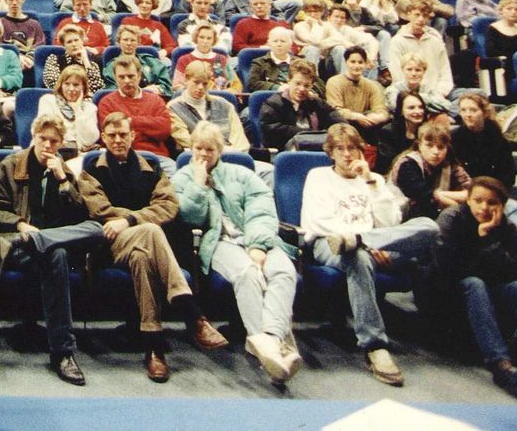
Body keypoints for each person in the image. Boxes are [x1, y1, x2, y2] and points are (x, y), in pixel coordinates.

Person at [77, 111, 228, 381]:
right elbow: (100, 210)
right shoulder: (91, 170)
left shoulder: (151, 167)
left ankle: (154, 348)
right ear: (103, 138)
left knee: (144, 257)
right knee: (151, 229)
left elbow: (168, 206)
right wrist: (137, 218)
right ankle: (192, 314)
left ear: (133, 135)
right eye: (111, 135)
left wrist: (130, 219)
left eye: (123, 134)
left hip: (140, 245)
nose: (118, 140)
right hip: (107, 243)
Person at [300, 123, 439, 386]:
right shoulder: (318, 176)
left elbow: (390, 222)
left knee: (430, 228)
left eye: (352, 148)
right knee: (357, 256)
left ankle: (359, 241)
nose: (347, 154)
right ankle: (375, 346)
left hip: (372, 242)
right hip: (327, 244)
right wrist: (364, 246)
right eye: (340, 149)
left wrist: (371, 184)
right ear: (330, 152)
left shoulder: (372, 179)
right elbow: (318, 222)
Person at [0, 115, 104, 385]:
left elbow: (81, 216)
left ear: (60, 143)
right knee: (55, 254)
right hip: (15, 244)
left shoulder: (64, 171)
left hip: (47, 243)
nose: (48, 145)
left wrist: (63, 182)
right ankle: (63, 353)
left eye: (54, 141)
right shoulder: (11, 166)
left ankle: (43, 241)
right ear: (33, 137)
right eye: (42, 139)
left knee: (96, 229)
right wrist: (20, 225)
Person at [172, 122, 300, 383]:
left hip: (256, 239)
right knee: (246, 273)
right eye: (198, 148)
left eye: (210, 149)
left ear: (220, 150)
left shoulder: (241, 174)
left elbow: (262, 208)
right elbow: (189, 218)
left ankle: (271, 339)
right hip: (217, 242)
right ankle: (271, 352)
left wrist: (257, 245)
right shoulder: (182, 178)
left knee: (284, 270)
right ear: (190, 148)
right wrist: (198, 185)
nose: (204, 154)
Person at [435, 176, 517, 397]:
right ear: (468, 200)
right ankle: (500, 364)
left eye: (492, 203)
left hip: (486, 292)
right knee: (475, 282)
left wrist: (488, 238)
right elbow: (450, 270)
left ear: (501, 206)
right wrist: (483, 242)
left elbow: (511, 271)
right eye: (478, 200)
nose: (484, 207)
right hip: (447, 293)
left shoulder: (506, 227)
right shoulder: (451, 218)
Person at [97, 56, 184, 174]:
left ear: (139, 75)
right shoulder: (106, 103)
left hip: (156, 158)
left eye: (131, 76)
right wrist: (150, 125)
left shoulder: (156, 100)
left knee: (178, 177)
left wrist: (130, 121)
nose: (127, 81)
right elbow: (110, 138)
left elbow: (164, 130)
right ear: (115, 78)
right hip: (121, 158)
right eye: (122, 77)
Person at [388, 124, 470, 219]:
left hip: (433, 213)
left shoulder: (450, 164)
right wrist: (455, 207)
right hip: (400, 214)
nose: (435, 152)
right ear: (419, 145)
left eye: (441, 147)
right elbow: (423, 195)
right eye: (429, 146)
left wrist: (440, 195)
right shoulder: (407, 164)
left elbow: (470, 192)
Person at [259, 61, 342, 150]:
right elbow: (272, 134)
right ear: (289, 81)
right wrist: (313, 133)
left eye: (307, 85)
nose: (302, 89)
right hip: (287, 154)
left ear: (312, 86)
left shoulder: (316, 102)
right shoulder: (272, 105)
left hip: (317, 150)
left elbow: (337, 119)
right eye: (297, 83)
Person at [451, 92, 515, 191]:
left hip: (493, 191)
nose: (467, 115)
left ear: (484, 113)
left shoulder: (497, 139)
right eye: (463, 110)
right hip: (466, 190)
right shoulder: (455, 137)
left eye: (473, 110)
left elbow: (507, 176)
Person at [36, 64, 99, 151]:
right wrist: (78, 145)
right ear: (61, 85)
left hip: (79, 156)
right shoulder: (49, 101)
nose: (71, 89)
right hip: (51, 151)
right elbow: (45, 131)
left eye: (76, 85)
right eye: (67, 84)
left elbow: (89, 140)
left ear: (83, 87)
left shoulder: (90, 108)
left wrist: (78, 109)